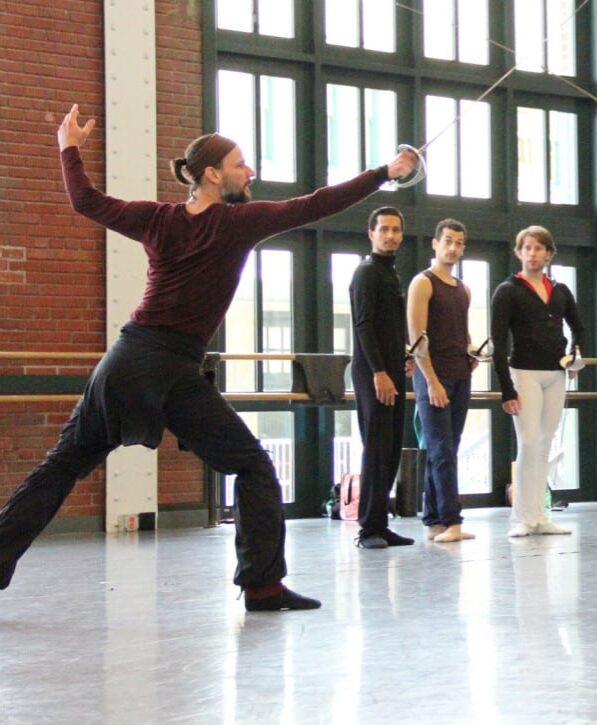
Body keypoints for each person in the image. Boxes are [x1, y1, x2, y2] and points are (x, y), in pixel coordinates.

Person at [0, 104, 417, 611]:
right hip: (168, 367)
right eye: (242, 164)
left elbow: (86, 201)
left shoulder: (157, 219)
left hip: (127, 361)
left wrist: (69, 148)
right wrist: (384, 174)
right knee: (253, 467)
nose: (251, 172)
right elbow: (316, 204)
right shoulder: (237, 223)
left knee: (60, 467)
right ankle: (262, 586)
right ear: (214, 175)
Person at [491, 226, 587, 538]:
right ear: (519, 253)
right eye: (527, 248)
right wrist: (507, 388)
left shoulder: (560, 290)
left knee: (546, 443)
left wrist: (575, 356)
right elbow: (498, 342)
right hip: (524, 373)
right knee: (529, 442)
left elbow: (580, 328)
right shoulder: (508, 290)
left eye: (539, 248)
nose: (533, 254)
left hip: (555, 374)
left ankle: (541, 516)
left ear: (548, 254)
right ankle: (523, 517)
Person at [349, 206, 417, 549]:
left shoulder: (391, 274)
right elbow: (363, 325)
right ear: (371, 233)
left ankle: (380, 522)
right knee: (376, 448)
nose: (390, 235)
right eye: (384, 229)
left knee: (390, 449)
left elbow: (387, 328)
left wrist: (401, 357)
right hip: (373, 374)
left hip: (390, 370)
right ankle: (368, 529)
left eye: (395, 229)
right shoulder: (366, 273)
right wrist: (378, 370)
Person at [406, 219, 478, 543]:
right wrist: (431, 381)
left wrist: (472, 352)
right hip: (432, 377)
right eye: (448, 241)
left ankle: (434, 519)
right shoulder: (422, 283)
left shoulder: (464, 289)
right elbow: (417, 339)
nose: (453, 248)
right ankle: (452, 521)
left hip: (461, 375)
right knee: (440, 449)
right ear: (435, 244)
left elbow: (460, 333)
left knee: (449, 448)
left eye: (459, 243)